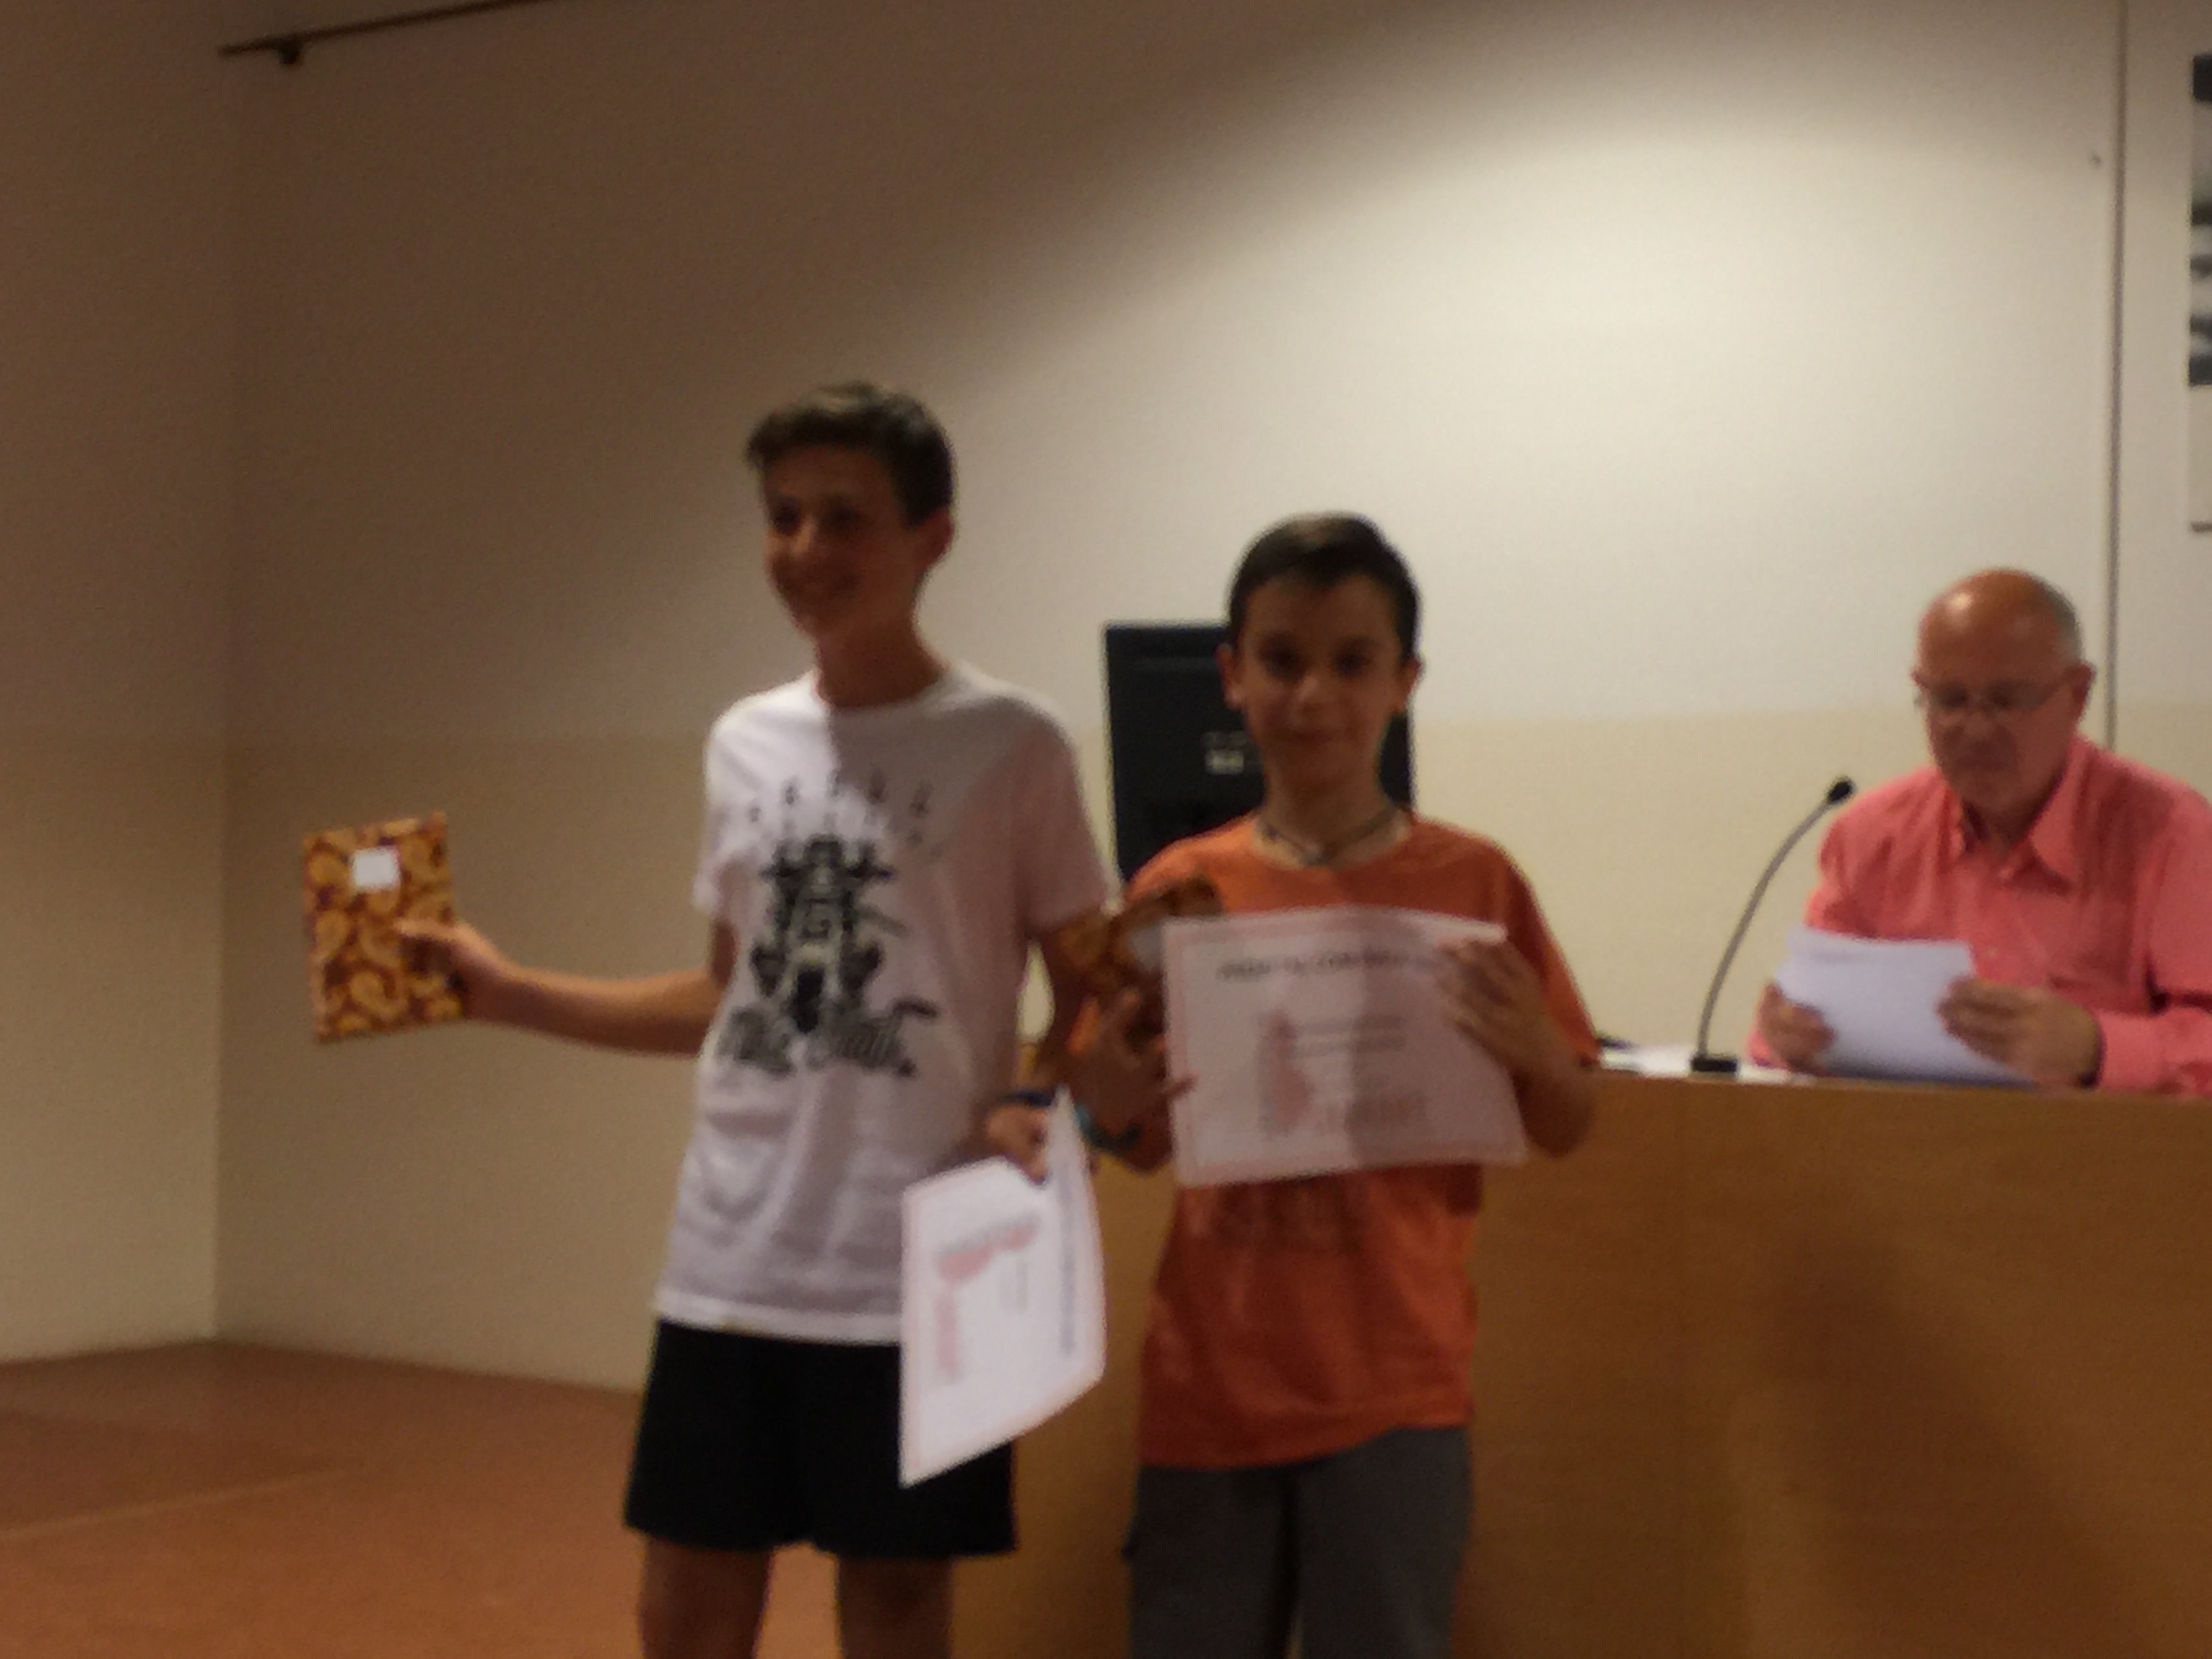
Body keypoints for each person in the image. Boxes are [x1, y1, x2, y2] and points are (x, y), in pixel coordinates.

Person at [402, 384, 1110, 1659]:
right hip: (733, 1257)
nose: (804, 549)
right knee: (685, 1597)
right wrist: (511, 993)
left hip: (919, 1264)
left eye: (845, 518)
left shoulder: (1013, 744)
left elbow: (1091, 986)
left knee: (896, 1602)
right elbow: (731, 996)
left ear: (931, 538)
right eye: (783, 517)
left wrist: (1035, 1095)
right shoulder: (745, 741)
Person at [995, 514, 1598, 1659]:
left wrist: (1533, 1049)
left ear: (1403, 682)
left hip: (1399, 1382)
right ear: (1231, 675)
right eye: (1280, 659)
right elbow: (1124, 1140)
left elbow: (1569, 1121)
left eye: (1352, 661)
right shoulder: (1178, 891)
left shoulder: (1474, 882)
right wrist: (1104, 1098)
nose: (1313, 694)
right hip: (1210, 1378)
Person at [1753, 567, 2212, 1093]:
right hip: (1905, 1141)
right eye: (1950, 700)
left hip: (2095, 1144)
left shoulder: (2170, 833)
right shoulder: (1872, 834)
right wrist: (1787, 1036)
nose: (1974, 729)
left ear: (2078, 694)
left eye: (2006, 700)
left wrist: (2098, 1046)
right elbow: (1788, 1030)